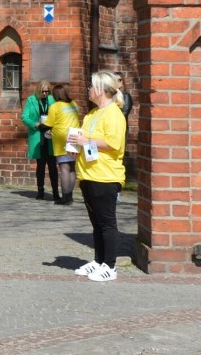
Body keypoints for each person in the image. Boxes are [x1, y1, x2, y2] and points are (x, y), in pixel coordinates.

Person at [71, 70, 126, 282]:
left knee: (107, 223)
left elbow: (113, 143)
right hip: (88, 174)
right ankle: (99, 260)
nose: (88, 90)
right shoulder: (92, 114)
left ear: (101, 90)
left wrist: (86, 142)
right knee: (96, 223)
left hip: (105, 176)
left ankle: (110, 266)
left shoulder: (114, 114)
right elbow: (85, 138)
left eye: (92, 86)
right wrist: (75, 145)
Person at [21, 79, 57, 200]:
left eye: (47, 91)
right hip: (38, 136)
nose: (45, 94)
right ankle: (40, 191)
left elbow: (59, 116)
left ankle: (55, 192)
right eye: (43, 91)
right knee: (40, 166)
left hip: (50, 136)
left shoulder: (52, 100)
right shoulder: (31, 100)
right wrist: (35, 124)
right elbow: (25, 117)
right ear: (38, 90)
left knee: (52, 166)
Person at [43, 85, 80, 205]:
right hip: (75, 137)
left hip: (61, 139)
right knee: (72, 168)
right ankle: (70, 196)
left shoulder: (55, 106)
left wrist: (40, 125)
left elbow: (48, 123)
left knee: (64, 168)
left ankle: (65, 198)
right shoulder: (73, 104)